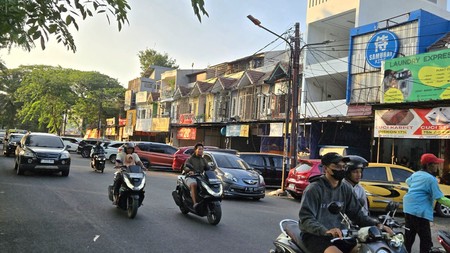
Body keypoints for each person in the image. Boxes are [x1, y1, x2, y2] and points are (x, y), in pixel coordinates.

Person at [299, 152, 392, 253]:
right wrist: (325, 231)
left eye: (343, 167)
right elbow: (306, 218)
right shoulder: (314, 189)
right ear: (325, 169)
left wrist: (378, 225)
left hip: (340, 235)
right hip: (316, 235)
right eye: (337, 166)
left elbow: (356, 214)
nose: (341, 169)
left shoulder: (345, 188)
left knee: (365, 249)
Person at [403, 153, 450, 253]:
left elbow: (408, 181)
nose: (437, 166)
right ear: (429, 165)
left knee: (408, 239)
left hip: (408, 209)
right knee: (426, 242)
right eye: (436, 164)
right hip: (420, 213)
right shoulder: (431, 179)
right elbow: (440, 198)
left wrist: (417, 188)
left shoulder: (416, 174)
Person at [183, 143, 209, 210]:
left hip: (200, 177)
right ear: (195, 150)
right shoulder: (190, 159)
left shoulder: (203, 160)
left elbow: (208, 168)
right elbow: (185, 167)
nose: (201, 151)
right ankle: (195, 203)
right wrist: (189, 171)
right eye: (199, 149)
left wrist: (212, 171)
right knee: (194, 184)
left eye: (202, 149)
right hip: (190, 177)